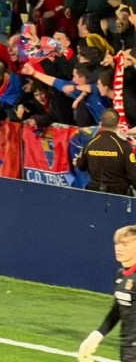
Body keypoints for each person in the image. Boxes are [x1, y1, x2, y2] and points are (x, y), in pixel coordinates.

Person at [77, 224, 136, 362]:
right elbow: (117, 309)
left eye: (125, 244)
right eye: (117, 244)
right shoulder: (121, 275)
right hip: (127, 345)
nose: (119, 248)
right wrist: (97, 335)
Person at [75, 109, 136, 195]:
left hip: (94, 191)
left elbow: (81, 166)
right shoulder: (124, 146)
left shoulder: (90, 144)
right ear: (118, 123)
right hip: (118, 194)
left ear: (101, 123)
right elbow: (133, 175)